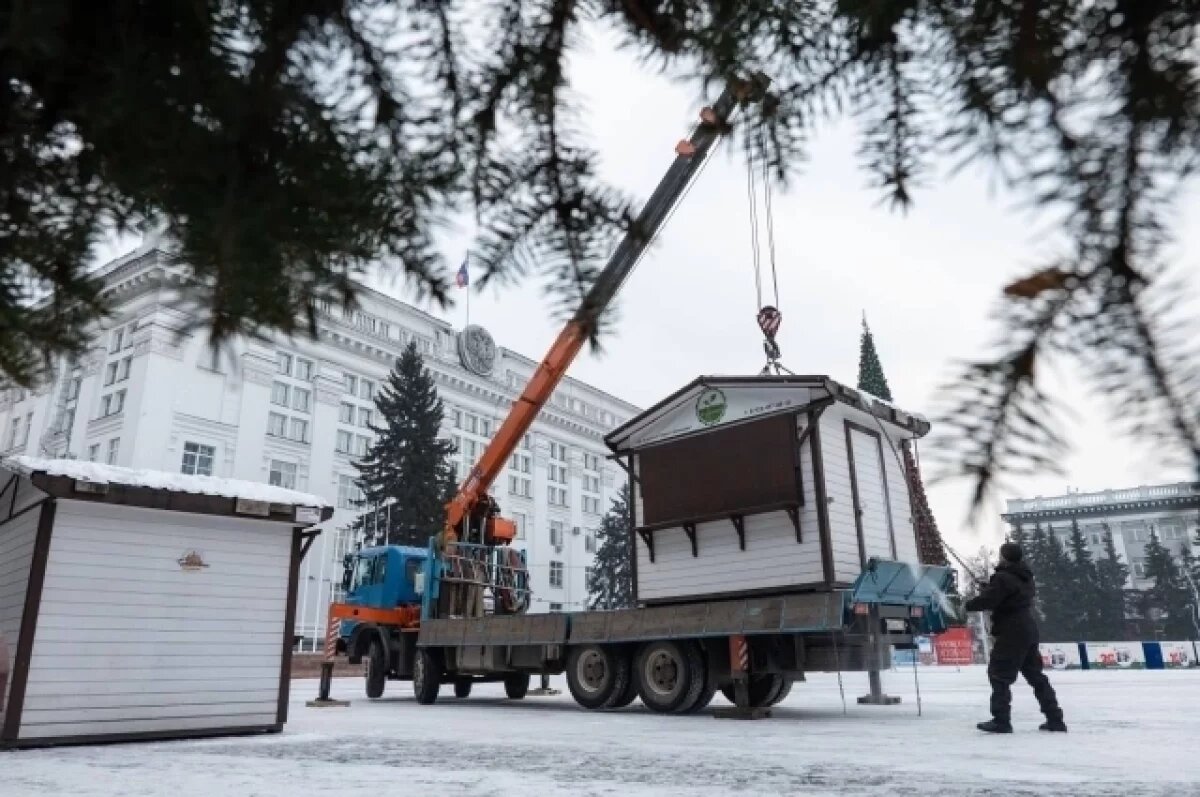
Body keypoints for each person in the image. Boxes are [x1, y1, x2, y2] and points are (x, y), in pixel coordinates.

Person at [964, 542, 1067, 734]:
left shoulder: (1002, 577)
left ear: (1004, 557)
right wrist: (990, 587)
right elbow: (1011, 593)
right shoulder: (1026, 577)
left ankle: (1001, 720)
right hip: (1028, 628)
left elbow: (990, 600)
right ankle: (1055, 718)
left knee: (999, 674)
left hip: (1011, 630)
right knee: (1036, 676)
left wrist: (967, 605)